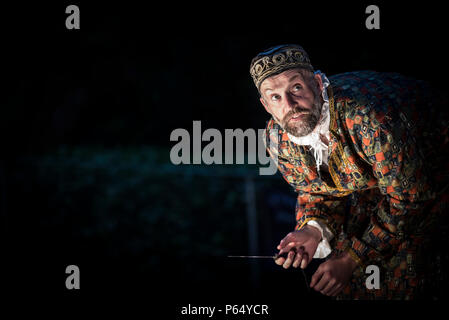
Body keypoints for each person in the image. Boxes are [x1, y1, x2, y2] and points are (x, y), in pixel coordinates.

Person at [249, 44, 449, 299]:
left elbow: (410, 198)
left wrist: (352, 258)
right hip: (378, 184)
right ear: (266, 105)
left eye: (296, 88)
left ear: (319, 84)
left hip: (433, 171)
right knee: (349, 280)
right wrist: (312, 230)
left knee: (410, 273)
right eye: (275, 97)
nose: (289, 104)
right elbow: (314, 189)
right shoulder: (278, 137)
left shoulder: (370, 119)